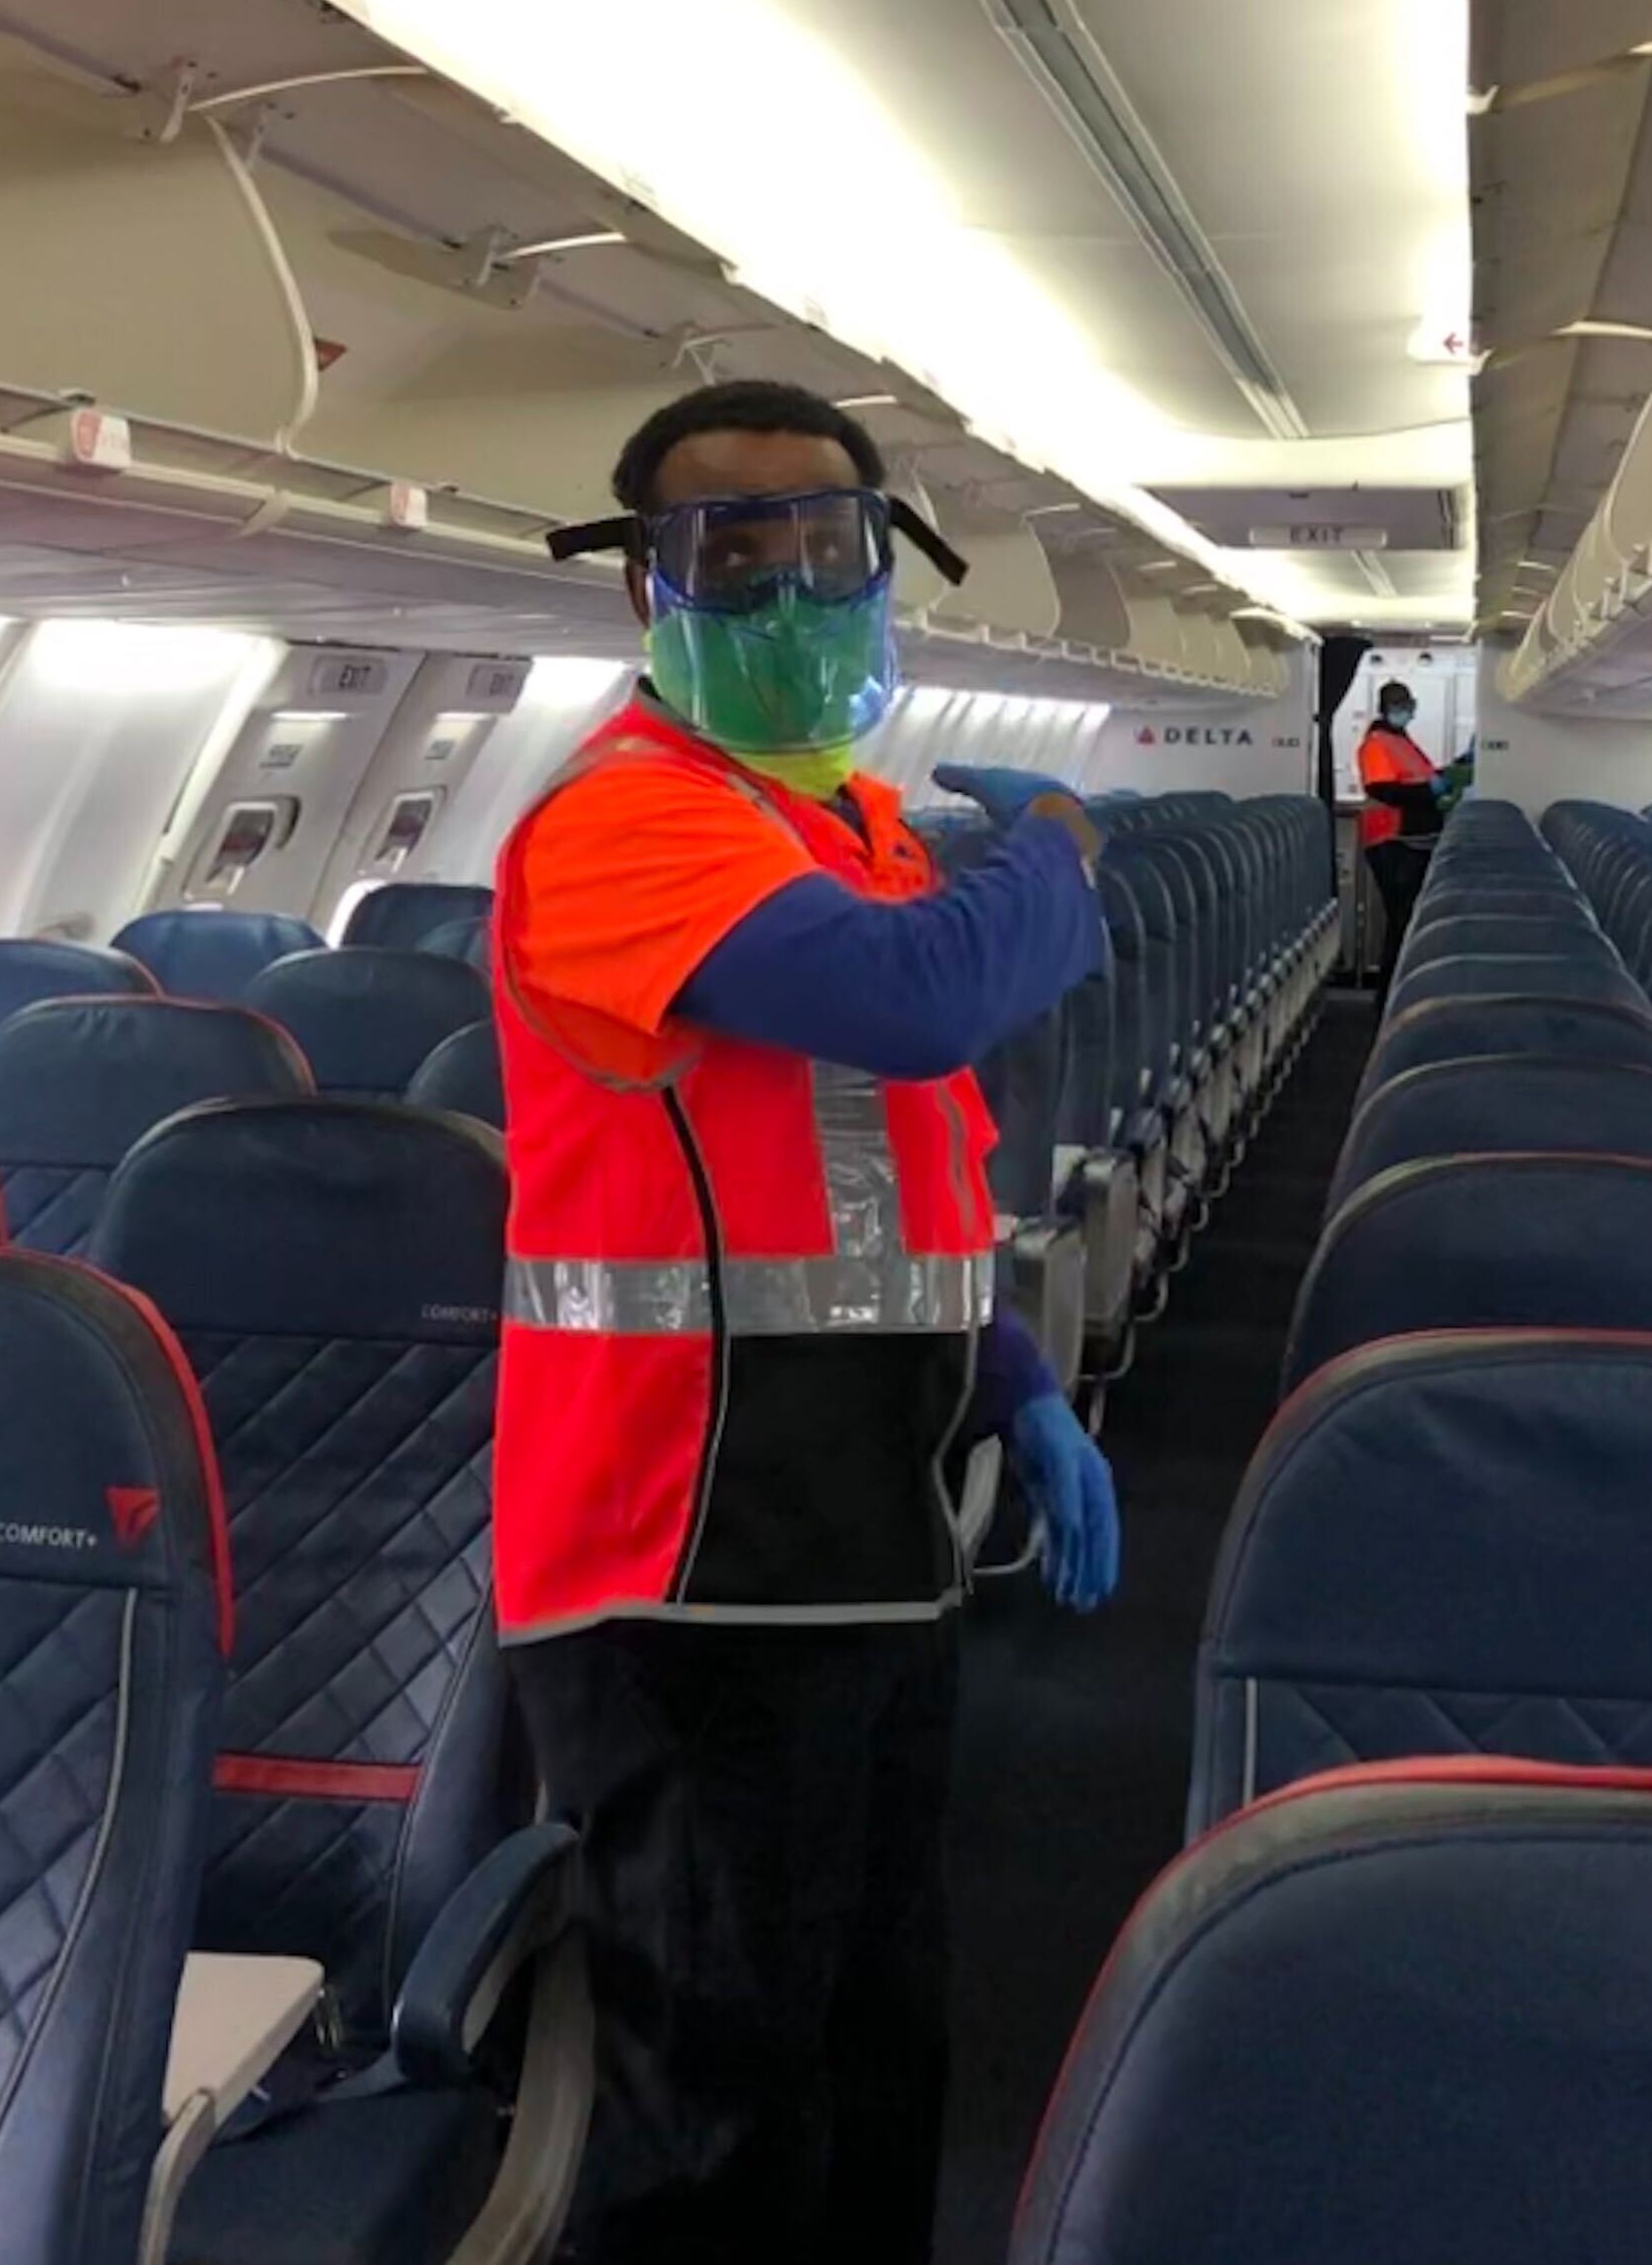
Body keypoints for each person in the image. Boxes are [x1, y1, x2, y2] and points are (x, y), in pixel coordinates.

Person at [502, 377, 1124, 2263]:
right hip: (678, 1552)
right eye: (731, 557)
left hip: (854, 1525)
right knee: (719, 2102)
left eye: (825, 551)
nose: (787, 596)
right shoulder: (622, 825)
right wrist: (1064, 854)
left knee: (870, 2052)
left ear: (887, 572)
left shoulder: (845, 821)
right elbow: (920, 999)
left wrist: (1009, 1374)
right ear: (646, 596)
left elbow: (893, 1173)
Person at [1354, 678, 1440, 960]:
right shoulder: (1377, 744)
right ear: (1387, 708)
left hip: (1410, 839)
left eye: (1409, 705)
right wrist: (1430, 791)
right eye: (1402, 706)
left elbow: (1422, 778)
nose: (1408, 712)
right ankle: (1390, 996)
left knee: (1406, 921)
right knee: (1401, 920)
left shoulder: (1401, 741)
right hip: (1391, 839)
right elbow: (1384, 790)